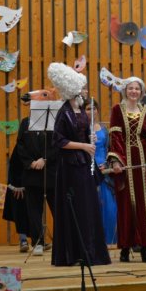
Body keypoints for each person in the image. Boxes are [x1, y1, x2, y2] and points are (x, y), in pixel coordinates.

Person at [47, 63, 111, 266]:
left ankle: (90, 251)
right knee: (77, 207)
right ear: (72, 89)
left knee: (88, 207)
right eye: (82, 88)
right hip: (71, 166)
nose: (85, 91)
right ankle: (76, 253)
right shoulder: (64, 112)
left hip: (83, 163)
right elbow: (58, 141)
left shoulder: (81, 109)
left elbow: (82, 133)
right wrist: (83, 145)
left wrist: (90, 137)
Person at [106, 77, 146, 263]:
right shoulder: (117, 110)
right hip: (125, 165)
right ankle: (125, 248)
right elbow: (115, 137)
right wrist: (116, 161)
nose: (133, 91)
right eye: (130, 88)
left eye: (137, 89)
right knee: (126, 206)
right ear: (125, 90)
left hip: (143, 164)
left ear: (141, 92)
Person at [15, 97, 57, 256]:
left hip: (50, 172)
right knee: (34, 210)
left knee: (57, 208)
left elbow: (57, 145)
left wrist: (45, 159)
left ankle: (61, 240)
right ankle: (38, 242)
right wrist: (30, 162)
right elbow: (20, 146)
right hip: (31, 173)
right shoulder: (25, 123)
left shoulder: (52, 123)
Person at [84, 98, 117, 246]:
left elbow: (110, 149)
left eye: (94, 108)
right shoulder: (80, 129)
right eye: (87, 108)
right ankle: (93, 242)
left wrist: (108, 164)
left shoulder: (104, 129)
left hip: (105, 172)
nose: (91, 111)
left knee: (109, 208)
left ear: (97, 110)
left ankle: (109, 240)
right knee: (91, 207)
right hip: (88, 171)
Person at [1, 138, 30, 253]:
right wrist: (17, 185)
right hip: (20, 184)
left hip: (34, 183)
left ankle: (38, 239)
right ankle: (23, 239)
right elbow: (14, 167)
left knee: (34, 213)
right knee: (20, 210)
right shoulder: (20, 147)